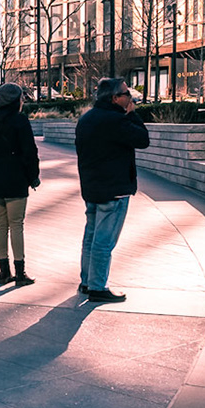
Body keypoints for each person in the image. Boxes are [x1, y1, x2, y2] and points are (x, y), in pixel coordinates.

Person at [73, 77, 149, 304]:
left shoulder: (86, 119)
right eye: (127, 95)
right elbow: (143, 139)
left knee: (91, 237)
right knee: (104, 241)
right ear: (115, 98)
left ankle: (87, 281)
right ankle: (98, 287)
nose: (131, 98)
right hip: (114, 190)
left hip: (92, 187)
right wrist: (132, 114)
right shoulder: (116, 120)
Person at [0, 82, 40, 285]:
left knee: (0, 224)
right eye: (21, 98)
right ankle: (20, 272)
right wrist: (33, 176)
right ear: (16, 101)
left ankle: (3, 271)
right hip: (14, 177)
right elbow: (29, 152)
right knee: (16, 225)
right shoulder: (20, 121)